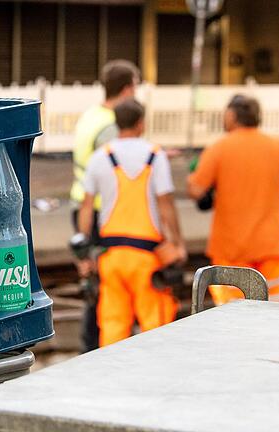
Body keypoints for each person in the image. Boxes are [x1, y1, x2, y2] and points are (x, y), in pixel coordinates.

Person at [79, 99, 185, 347]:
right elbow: (166, 204)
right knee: (155, 327)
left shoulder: (100, 157)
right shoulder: (155, 155)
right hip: (146, 257)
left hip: (111, 256)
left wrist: (84, 253)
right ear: (141, 123)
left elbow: (86, 208)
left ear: (117, 123)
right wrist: (177, 243)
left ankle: (112, 377)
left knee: (113, 327)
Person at [188, 95, 279, 305]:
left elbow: (196, 190)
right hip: (274, 247)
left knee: (234, 319)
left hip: (232, 250)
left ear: (231, 116)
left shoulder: (218, 148)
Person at [71, 60, 139, 351]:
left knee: (96, 282)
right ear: (126, 89)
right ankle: (95, 348)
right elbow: (118, 170)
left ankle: (93, 345)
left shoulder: (91, 116)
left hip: (83, 205)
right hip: (102, 212)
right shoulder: (111, 126)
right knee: (105, 287)